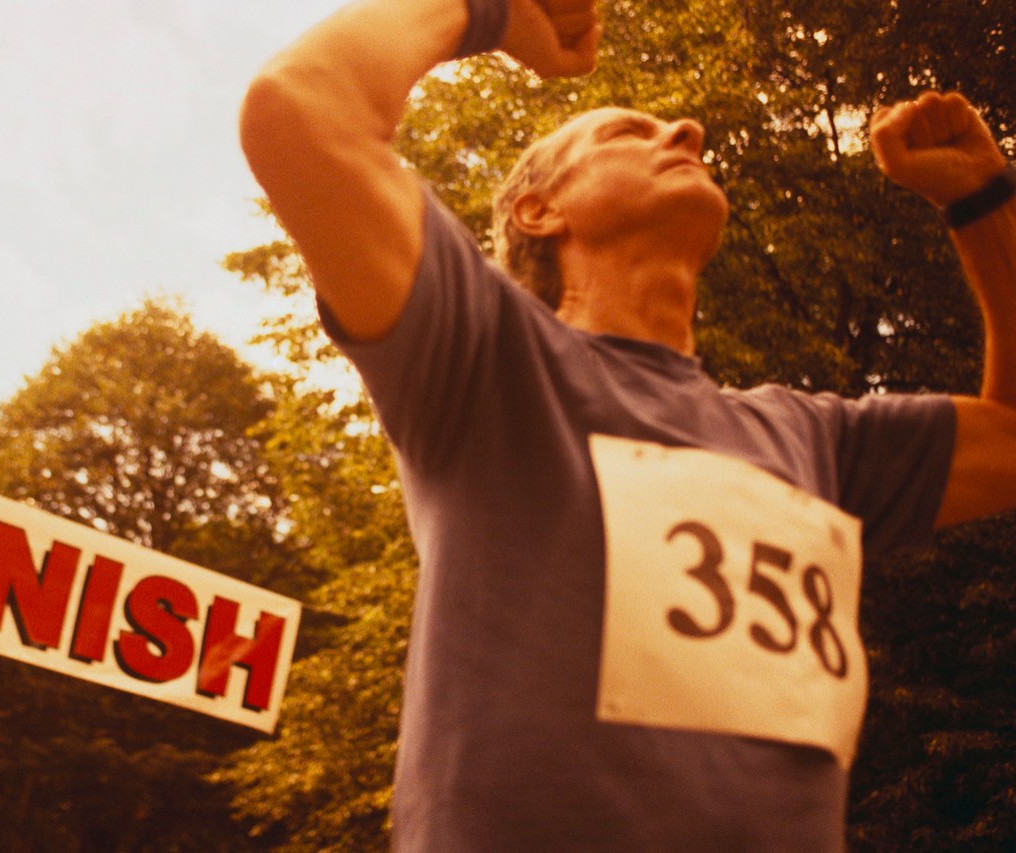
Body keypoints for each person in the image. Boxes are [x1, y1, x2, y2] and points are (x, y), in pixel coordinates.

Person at [239, 0, 1016, 849]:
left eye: (675, 128)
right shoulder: (484, 357)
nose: (685, 128)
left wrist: (986, 200)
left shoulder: (814, 438)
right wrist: (491, 13)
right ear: (539, 212)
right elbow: (299, 112)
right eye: (626, 134)